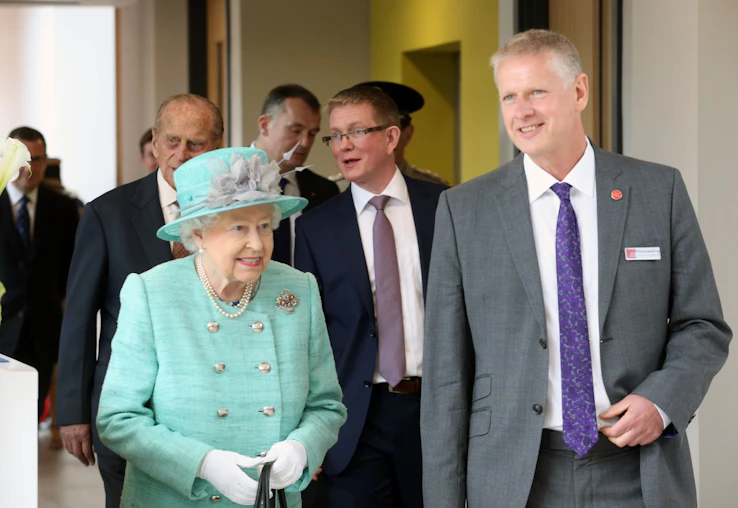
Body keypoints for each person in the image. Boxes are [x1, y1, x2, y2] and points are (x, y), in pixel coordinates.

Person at [420, 29, 733, 508]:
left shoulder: (657, 191)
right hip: (514, 474)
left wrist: (662, 401)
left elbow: (703, 324)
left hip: (637, 469)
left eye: (537, 92)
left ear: (580, 91)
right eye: (509, 96)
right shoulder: (464, 210)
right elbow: (445, 374)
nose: (521, 111)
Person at [96, 146, 346, 507]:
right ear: (197, 234)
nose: (257, 244)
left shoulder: (298, 288)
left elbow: (326, 405)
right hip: (174, 499)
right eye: (238, 228)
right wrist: (204, 464)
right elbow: (118, 419)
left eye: (264, 226)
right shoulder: (153, 292)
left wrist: (302, 447)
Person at [56, 94, 224, 508]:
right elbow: (79, 317)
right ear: (154, 141)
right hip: (128, 407)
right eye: (171, 141)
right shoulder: (106, 213)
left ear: (217, 145)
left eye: (196, 143)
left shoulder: (234, 214)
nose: (180, 154)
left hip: (214, 405)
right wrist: (73, 412)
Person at [294, 85, 447, 507]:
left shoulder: (445, 207)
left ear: (391, 137)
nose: (342, 146)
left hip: (433, 410)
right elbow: (310, 335)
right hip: (355, 419)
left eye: (356, 132)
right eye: (335, 135)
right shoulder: (316, 228)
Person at [0, 127, 79, 419]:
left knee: (27, 416)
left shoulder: (63, 208)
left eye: (37, 159)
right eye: (22, 159)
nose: (29, 168)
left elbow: (69, 270)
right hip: (1, 324)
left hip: (41, 332)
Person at [253, 84, 340, 266]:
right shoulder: (225, 180)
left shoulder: (325, 191)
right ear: (265, 125)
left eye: (312, 133)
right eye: (295, 130)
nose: (305, 142)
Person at [357, 81, 450, 186]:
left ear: (407, 134)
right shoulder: (338, 190)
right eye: (363, 131)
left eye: (388, 132)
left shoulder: (435, 188)